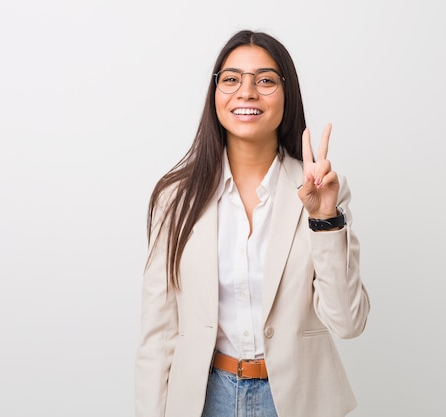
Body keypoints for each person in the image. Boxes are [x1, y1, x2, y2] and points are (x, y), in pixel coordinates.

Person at [135, 29, 370, 417]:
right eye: (231, 80)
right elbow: (157, 334)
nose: (246, 92)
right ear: (215, 96)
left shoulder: (323, 191)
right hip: (204, 399)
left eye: (264, 80)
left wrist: (324, 219)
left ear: (286, 95)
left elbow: (348, 322)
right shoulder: (175, 198)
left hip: (296, 402)